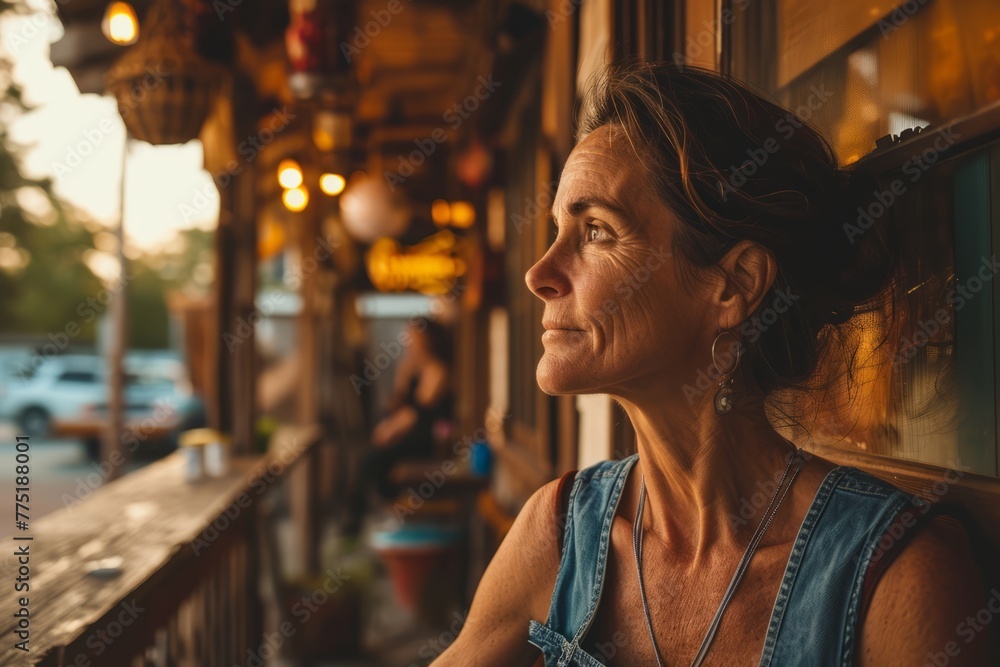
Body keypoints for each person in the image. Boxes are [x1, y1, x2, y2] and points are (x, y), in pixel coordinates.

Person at [432, 63, 991, 666]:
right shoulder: (559, 532)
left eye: (595, 231)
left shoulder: (897, 581)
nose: (538, 274)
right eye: (557, 229)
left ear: (733, 284)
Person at [345, 316, 454, 536]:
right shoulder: (415, 367)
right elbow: (396, 404)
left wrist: (390, 429)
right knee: (372, 457)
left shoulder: (437, 370)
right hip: (411, 431)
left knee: (373, 460)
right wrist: (403, 372)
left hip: (428, 435)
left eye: (414, 335)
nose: (409, 340)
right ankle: (381, 511)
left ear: (427, 338)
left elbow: (417, 413)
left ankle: (367, 518)